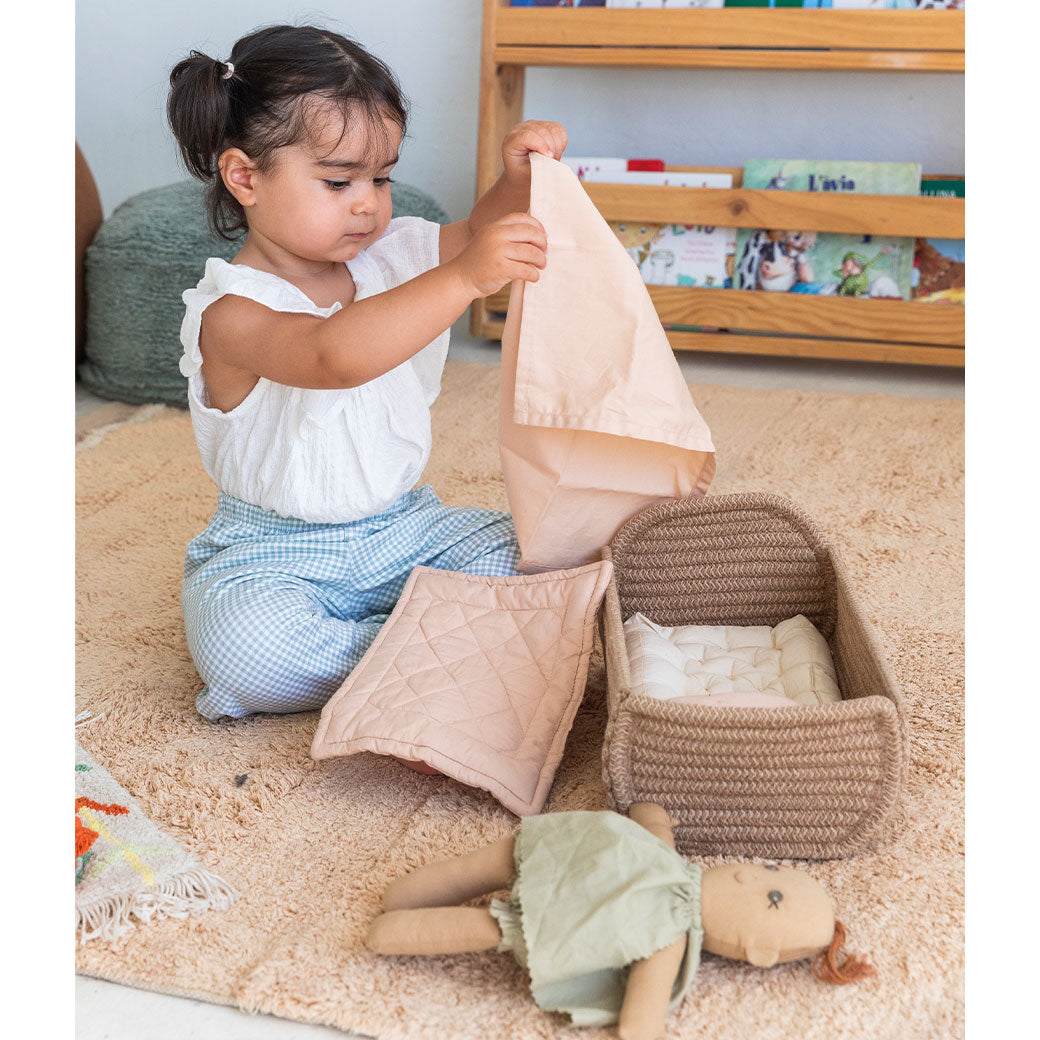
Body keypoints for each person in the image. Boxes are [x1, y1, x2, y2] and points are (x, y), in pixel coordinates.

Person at [166, 24, 567, 721]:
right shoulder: (230, 312)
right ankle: (439, 648)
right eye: (338, 181)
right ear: (245, 177)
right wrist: (465, 280)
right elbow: (334, 356)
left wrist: (518, 182)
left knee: (541, 553)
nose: (368, 202)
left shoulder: (388, 257)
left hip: (404, 527)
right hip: (274, 552)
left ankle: (419, 645)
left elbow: (474, 236)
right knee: (247, 653)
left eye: (382, 177)